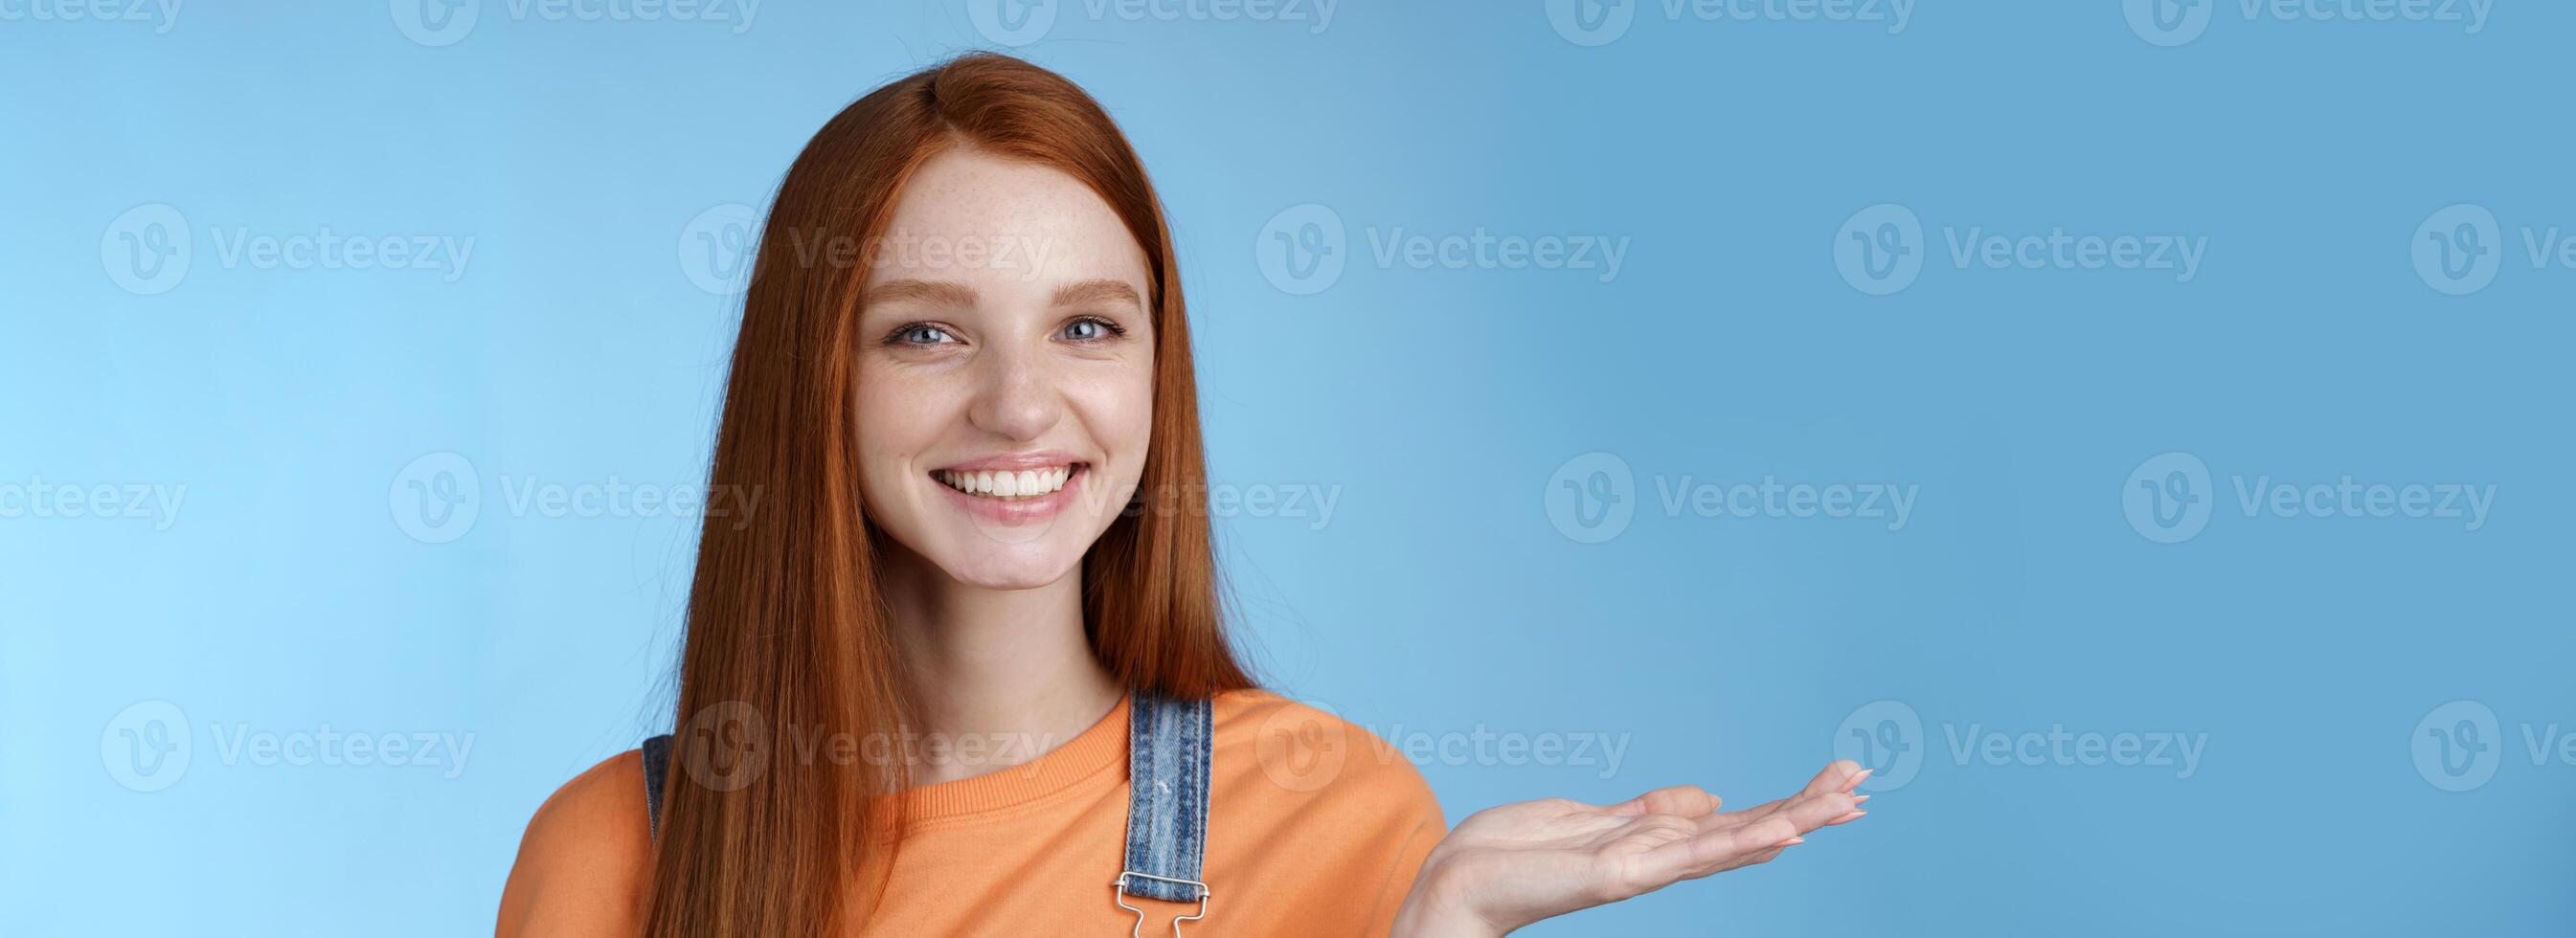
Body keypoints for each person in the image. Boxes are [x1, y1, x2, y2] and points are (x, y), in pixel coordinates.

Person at [494, 52, 1869, 938]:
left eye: (1088, 327)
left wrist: (1435, 928)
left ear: (1160, 370)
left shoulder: (1334, 817)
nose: (1020, 405)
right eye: (927, 331)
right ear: (817, 382)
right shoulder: (617, 853)